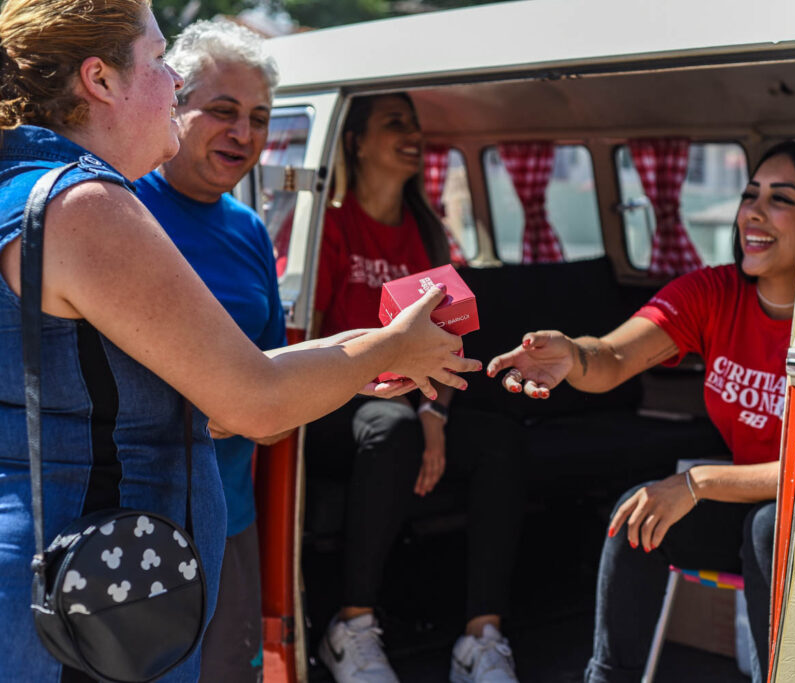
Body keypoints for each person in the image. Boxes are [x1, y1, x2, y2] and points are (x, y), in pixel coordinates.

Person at [0, 2, 478, 681]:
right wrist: (390, 351)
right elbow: (253, 402)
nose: (173, 80)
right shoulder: (85, 207)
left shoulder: (20, 187)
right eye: (159, 59)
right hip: (92, 594)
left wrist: (376, 347)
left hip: (66, 574)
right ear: (100, 79)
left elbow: (223, 385)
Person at [487, 141, 795, 683]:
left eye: (780, 199)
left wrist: (696, 483)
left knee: (766, 529)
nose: (752, 213)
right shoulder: (714, 293)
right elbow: (613, 356)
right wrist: (572, 354)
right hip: (747, 499)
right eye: (749, 194)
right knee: (636, 518)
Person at [308, 93, 524, 683]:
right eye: (394, 124)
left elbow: (449, 344)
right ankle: (351, 626)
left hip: (411, 402)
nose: (413, 135)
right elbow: (307, 343)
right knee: (392, 426)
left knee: (500, 439)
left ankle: (481, 638)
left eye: (415, 125)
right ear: (356, 141)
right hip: (333, 400)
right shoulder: (331, 225)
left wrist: (435, 414)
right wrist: (393, 399)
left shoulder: (426, 233)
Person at [133, 19, 284, 682]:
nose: (243, 134)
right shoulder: (118, 206)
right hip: (134, 519)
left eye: (259, 118)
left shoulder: (250, 230)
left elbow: (273, 371)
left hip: (229, 518)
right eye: (223, 111)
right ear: (174, 103)